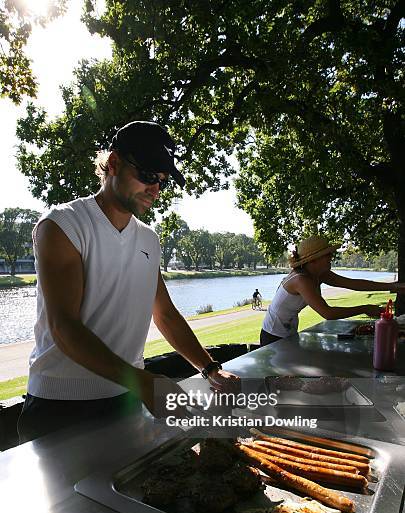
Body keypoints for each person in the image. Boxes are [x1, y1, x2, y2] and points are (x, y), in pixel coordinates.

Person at [18, 121, 239, 442]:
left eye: (162, 181)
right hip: (60, 409)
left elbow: (164, 313)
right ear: (113, 163)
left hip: (127, 400)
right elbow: (64, 327)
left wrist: (210, 369)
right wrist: (145, 383)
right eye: (148, 175)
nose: (156, 189)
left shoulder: (149, 239)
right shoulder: (63, 224)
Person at [260, 235, 405, 346]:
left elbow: (354, 284)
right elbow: (327, 313)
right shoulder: (301, 280)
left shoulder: (319, 274)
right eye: (327, 254)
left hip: (288, 332)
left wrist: (392, 286)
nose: (331, 257)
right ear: (313, 260)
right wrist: (364, 308)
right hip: (272, 335)